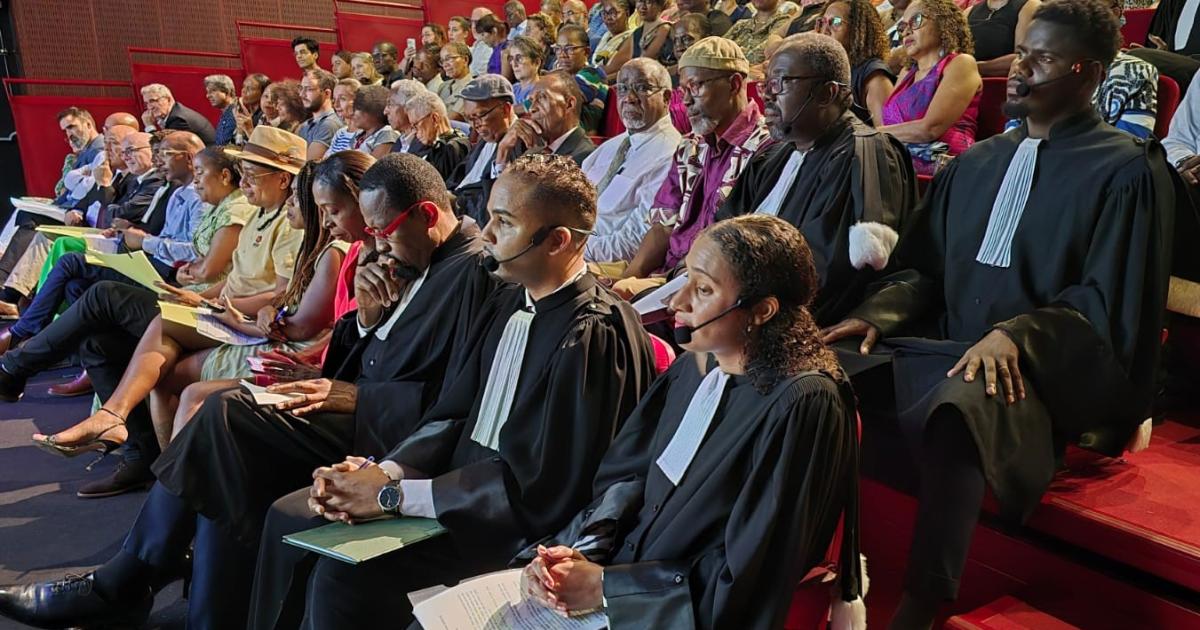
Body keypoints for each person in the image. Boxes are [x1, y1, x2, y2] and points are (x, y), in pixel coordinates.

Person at [0, 150, 507, 630]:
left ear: (423, 215)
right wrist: (369, 320)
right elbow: (374, 349)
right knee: (226, 444)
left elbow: (455, 397)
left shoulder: (474, 274)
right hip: (358, 400)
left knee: (225, 414)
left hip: (389, 428)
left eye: (381, 231)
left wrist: (349, 391)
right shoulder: (418, 256)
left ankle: (126, 581)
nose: (373, 242)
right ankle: (174, 601)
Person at [820, 1, 1181, 627]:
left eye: (1041, 60)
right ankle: (822, 562)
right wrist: (880, 311)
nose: (1019, 71)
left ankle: (922, 602)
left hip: (1045, 370)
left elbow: (1109, 301)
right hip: (949, 348)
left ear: (1088, 73)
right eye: (1021, 55)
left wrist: (1017, 336)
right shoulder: (977, 164)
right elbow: (926, 271)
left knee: (967, 400)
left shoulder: (1126, 169)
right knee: (823, 367)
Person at [254, 154, 658, 627]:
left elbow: (539, 487)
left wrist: (395, 499)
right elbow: (452, 410)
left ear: (557, 241)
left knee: (342, 581)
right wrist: (383, 474)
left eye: (503, 223)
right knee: (292, 520)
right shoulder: (508, 299)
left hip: (515, 530)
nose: (485, 235)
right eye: (488, 217)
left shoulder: (593, 335)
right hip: (457, 498)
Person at [516, 214, 862, 628]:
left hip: (673, 609)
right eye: (685, 280)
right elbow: (629, 480)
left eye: (703, 289)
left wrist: (609, 588)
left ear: (762, 310)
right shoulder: (696, 366)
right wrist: (581, 552)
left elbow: (753, 571)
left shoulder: (804, 403)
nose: (676, 303)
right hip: (626, 576)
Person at [718, 33, 916, 326]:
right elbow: (723, 227)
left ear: (826, 93)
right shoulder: (773, 157)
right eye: (764, 85)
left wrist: (729, 298)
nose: (766, 96)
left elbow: (825, 272)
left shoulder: (864, 155)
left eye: (779, 84)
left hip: (792, 323)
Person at [0, 131, 206, 350]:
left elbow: (195, 249)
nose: (159, 161)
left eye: (164, 154)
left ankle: (23, 333)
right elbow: (110, 214)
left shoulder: (195, 195)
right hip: (147, 259)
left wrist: (144, 241)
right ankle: (71, 351)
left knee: (71, 261)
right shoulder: (177, 192)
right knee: (75, 285)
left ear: (189, 158)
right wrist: (133, 235)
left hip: (164, 272)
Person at [614, 37, 770, 297]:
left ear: (733, 84)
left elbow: (740, 252)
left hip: (713, 289)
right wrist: (631, 277)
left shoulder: (765, 149)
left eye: (695, 87)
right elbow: (662, 227)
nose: (685, 101)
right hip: (667, 279)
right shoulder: (690, 147)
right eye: (682, 89)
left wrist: (657, 286)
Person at [583, 59, 682, 269]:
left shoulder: (670, 154)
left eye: (642, 88)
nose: (629, 98)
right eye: (623, 88)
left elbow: (635, 241)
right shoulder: (608, 148)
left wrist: (575, 249)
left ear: (666, 97)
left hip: (602, 266)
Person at [878, 0, 981, 175]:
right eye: (902, 27)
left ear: (943, 22)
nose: (907, 32)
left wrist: (870, 134)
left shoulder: (961, 63)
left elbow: (930, 129)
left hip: (945, 168)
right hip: (898, 164)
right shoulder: (906, 72)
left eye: (916, 21)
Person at [449, 74, 519, 225]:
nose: (475, 125)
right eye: (469, 119)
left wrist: (455, 203)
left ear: (505, 110)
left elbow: (496, 208)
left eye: (480, 116)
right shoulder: (487, 137)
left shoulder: (518, 145)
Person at [496, 71, 598, 169]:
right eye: (532, 100)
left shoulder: (585, 156)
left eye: (541, 98)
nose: (532, 108)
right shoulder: (523, 145)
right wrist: (503, 152)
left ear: (569, 105)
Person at [818, 0, 896, 126]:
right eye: (822, 22)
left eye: (836, 22)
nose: (825, 30)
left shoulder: (874, 75)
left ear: (858, 29)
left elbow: (888, 133)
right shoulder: (827, 69)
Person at [554, 24, 610, 133]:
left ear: (586, 51)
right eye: (558, 49)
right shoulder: (562, 75)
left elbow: (560, 100)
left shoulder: (593, 73)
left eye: (569, 49)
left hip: (580, 138)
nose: (562, 55)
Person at [406, 90, 472, 182]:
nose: (414, 131)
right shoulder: (421, 143)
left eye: (416, 124)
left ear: (435, 119)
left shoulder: (453, 148)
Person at [968, 0, 1041, 77]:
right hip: (965, 81)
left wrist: (975, 67)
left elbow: (1022, 58)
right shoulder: (968, 12)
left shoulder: (1029, 6)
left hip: (1002, 83)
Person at [666, 13, 713, 133]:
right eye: (675, 41)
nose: (679, 47)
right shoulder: (666, 78)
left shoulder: (717, 78)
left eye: (686, 39)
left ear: (707, 38)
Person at [726, 0, 798, 67]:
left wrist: (730, 56)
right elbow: (718, 48)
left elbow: (759, 56)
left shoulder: (784, 23)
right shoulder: (741, 24)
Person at [140, 83, 216, 145]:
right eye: (146, 103)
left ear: (168, 99)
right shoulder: (175, 112)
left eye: (153, 101)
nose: (149, 107)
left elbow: (162, 147)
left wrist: (149, 126)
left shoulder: (178, 119)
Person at [298, 68, 343, 161]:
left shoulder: (329, 125)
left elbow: (307, 166)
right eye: (301, 88)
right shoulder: (305, 125)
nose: (302, 94)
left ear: (327, 93)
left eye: (309, 89)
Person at [351, 85, 400, 158]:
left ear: (373, 112)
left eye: (357, 109)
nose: (352, 113)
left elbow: (374, 165)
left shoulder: (387, 133)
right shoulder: (359, 134)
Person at [384, 80, 428, 154]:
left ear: (410, 107)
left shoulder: (430, 145)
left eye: (390, 104)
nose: (385, 112)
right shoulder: (399, 142)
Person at [593, 0, 636, 74]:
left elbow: (613, 71)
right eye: (604, 13)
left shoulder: (631, 38)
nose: (608, 18)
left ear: (627, 13)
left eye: (613, 13)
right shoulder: (606, 35)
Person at [627, 0, 674, 66]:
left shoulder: (664, 28)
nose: (643, 7)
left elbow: (646, 59)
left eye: (648, 2)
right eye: (640, 1)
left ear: (659, 6)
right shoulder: (637, 32)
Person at [438, 42, 477, 117]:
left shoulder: (472, 88)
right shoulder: (443, 86)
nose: (445, 65)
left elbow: (452, 119)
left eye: (448, 59)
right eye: (442, 61)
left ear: (465, 60)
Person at [509, 35, 547, 111]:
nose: (514, 64)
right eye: (511, 59)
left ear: (537, 62)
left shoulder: (543, 90)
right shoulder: (512, 89)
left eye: (519, 58)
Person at [327, 78, 362, 153]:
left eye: (342, 99)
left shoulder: (364, 135)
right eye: (334, 99)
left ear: (358, 101)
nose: (336, 105)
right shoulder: (340, 133)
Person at [234, 73, 271, 144]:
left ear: (263, 93)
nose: (243, 91)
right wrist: (239, 131)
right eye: (244, 86)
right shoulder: (244, 112)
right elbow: (236, 146)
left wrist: (249, 129)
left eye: (250, 88)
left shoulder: (265, 116)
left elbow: (263, 149)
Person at [204, 75, 239, 146]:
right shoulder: (226, 113)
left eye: (213, 91)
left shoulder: (237, 112)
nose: (208, 96)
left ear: (227, 91)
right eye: (208, 92)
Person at [471, 7, 498, 76]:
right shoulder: (476, 44)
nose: (473, 26)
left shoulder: (489, 45)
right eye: (472, 22)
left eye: (477, 22)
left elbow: (481, 74)